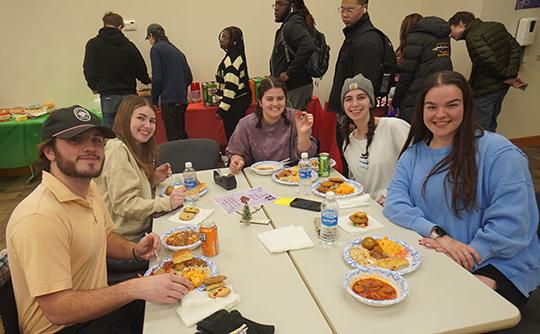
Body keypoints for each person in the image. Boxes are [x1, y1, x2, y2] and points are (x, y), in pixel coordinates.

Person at [6, 106, 192, 333]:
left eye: (96, 141)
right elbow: (57, 310)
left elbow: (106, 236)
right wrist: (134, 288)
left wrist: (135, 250)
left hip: (98, 308)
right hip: (65, 327)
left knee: (181, 307)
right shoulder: (39, 217)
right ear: (49, 152)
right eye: (75, 140)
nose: (90, 148)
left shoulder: (89, 188)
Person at [383, 71, 540, 310]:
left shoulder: (499, 152)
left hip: (498, 262)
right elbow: (395, 204)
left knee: (449, 310)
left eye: (452, 105)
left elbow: (513, 224)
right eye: (432, 107)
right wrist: (439, 236)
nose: (441, 114)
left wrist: (467, 253)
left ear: (466, 106)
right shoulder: (412, 155)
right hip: (437, 253)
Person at [95, 96, 185, 250]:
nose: (147, 126)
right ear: (125, 118)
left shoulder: (133, 147)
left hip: (141, 230)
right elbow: (125, 205)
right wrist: (166, 203)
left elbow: (130, 190)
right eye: (141, 118)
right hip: (126, 243)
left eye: (152, 121)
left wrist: (153, 179)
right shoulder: (117, 149)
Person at [328, 0, 387, 176]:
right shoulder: (354, 35)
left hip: (354, 115)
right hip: (347, 111)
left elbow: (363, 87)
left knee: (357, 164)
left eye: (350, 10)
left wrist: (355, 117)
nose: (345, 14)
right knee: (348, 159)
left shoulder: (367, 40)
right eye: (342, 10)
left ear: (364, 8)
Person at [448, 11, 524, 132]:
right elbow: (515, 48)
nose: (450, 35)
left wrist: (506, 75)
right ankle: (491, 149)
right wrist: (511, 74)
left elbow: (488, 62)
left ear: (461, 24)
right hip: (502, 86)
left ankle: (480, 151)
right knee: (492, 122)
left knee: (479, 126)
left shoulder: (472, 37)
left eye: (451, 30)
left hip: (486, 89)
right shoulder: (497, 26)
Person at [341, 74, 409, 205]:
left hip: (398, 207)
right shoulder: (348, 143)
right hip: (368, 212)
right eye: (348, 99)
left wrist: (389, 194)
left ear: (371, 101)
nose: (354, 104)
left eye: (361, 97)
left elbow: (419, 166)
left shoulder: (393, 127)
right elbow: (356, 184)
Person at [226, 77, 317, 174]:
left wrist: (303, 135)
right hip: (257, 178)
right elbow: (236, 152)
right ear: (260, 102)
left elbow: (308, 156)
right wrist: (237, 160)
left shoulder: (296, 118)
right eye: (269, 99)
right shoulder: (246, 124)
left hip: (291, 177)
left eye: (280, 98)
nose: (275, 104)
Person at [83, 12, 151, 129]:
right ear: (120, 26)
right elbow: (140, 68)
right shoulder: (129, 46)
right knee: (129, 131)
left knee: (111, 134)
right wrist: (146, 80)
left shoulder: (93, 44)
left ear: (104, 24)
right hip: (128, 95)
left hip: (108, 94)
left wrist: (94, 87)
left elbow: (89, 70)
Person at [392, 14, 453, 123]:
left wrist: (395, 102)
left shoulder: (415, 38)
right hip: (440, 91)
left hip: (416, 95)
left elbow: (407, 75)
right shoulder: (442, 37)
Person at [146, 23, 193, 141]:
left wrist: (154, 99)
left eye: (149, 39)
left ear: (151, 36)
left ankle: (178, 159)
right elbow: (189, 77)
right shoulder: (177, 51)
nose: (150, 42)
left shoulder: (156, 49)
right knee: (180, 134)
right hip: (181, 100)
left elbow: (157, 78)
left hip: (169, 101)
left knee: (173, 139)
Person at [270, 0, 315, 110]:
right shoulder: (291, 23)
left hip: (296, 87)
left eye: (280, 4)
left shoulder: (293, 24)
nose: (276, 8)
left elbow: (308, 45)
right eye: (275, 4)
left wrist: (289, 73)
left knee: (293, 124)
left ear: (291, 6)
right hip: (294, 87)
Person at [215, 26, 252, 140]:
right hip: (239, 100)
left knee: (233, 134)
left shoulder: (232, 60)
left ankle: (235, 155)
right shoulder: (235, 56)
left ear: (234, 41)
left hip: (235, 103)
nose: (221, 39)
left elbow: (230, 88)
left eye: (225, 37)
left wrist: (222, 110)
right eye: (221, 36)